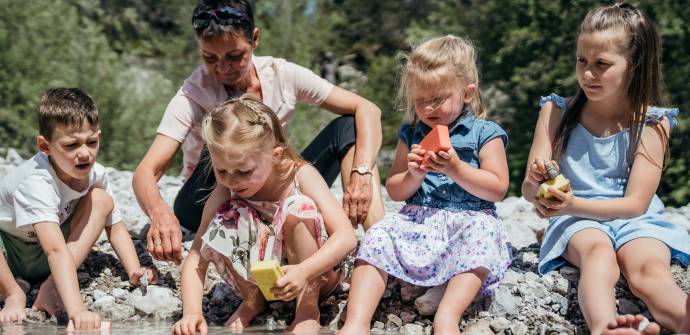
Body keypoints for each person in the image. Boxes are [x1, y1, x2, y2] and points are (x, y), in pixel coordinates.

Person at [133, 0, 384, 264]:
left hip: (274, 189)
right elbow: (146, 171)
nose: (223, 68)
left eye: (234, 56)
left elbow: (367, 109)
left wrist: (362, 172)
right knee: (224, 139)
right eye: (210, 58)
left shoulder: (282, 74)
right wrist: (159, 213)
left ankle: (379, 244)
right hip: (208, 201)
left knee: (348, 126)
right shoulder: (193, 94)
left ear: (255, 38)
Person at [523, 3, 690, 334]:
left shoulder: (653, 122)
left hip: (634, 219)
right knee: (598, 257)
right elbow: (530, 189)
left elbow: (635, 205)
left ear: (634, 65)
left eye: (601, 64)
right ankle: (606, 328)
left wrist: (570, 203)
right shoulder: (556, 111)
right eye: (581, 61)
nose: (587, 73)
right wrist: (538, 190)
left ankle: (684, 320)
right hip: (576, 220)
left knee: (648, 270)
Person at [339, 35, 512, 335]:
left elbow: (497, 188)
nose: (429, 108)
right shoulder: (412, 133)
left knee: (482, 236)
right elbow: (394, 190)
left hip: (469, 220)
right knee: (377, 236)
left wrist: (457, 168)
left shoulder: (486, 132)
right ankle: (356, 323)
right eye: (420, 101)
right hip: (419, 220)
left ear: (467, 93)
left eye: (438, 99)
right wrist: (413, 175)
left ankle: (448, 318)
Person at [171, 94, 356, 335]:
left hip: (315, 274)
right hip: (266, 279)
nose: (233, 181)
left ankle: (307, 312)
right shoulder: (225, 191)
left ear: (275, 155)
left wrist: (304, 271)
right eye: (222, 171)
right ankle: (254, 299)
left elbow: (346, 236)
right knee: (226, 215)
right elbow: (196, 257)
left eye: (244, 171)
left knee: (298, 208)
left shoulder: (300, 176)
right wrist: (192, 312)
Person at [0, 88, 156, 328]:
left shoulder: (97, 174)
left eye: (92, 142)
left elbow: (115, 227)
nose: (85, 153)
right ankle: (12, 292)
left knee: (101, 200)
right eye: (71, 145)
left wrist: (134, 270)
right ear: (45, 145)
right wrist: (77, 310)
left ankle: (50, 288)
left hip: (49, 255)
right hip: (9, 253)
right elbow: (55, 251)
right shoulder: (35, 181)